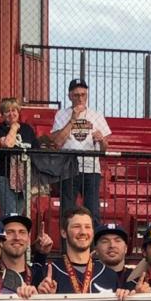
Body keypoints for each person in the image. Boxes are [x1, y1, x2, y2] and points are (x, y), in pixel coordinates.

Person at [48, 78, 110, 222]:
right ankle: (66, 244)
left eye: (83, 95)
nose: (80, 98)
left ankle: (93, 244)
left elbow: (105, 149)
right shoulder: (61, 114)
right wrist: (73, 119)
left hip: (91, 168)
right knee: (68, 211)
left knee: (93, 211)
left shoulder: (96, 115)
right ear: (70, 96)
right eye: (76, 95)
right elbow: (57, 142)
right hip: (68, 166)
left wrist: (101, 140)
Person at [35, 206, 119, 295]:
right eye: (76, 226)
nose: (83, 232)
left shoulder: (109, 275)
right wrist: (45, 298)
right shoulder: (49, 273)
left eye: (87, 227)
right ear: (63, 232)